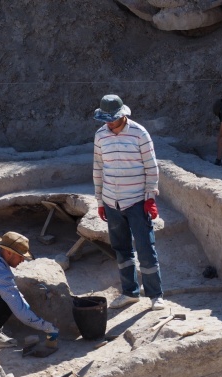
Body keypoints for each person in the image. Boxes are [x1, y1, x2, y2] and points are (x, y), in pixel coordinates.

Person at [92, 94, 165, 311]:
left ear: (123, 115)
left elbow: (151, 167)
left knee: (145, 247)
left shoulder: (139, 133)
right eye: (106, 119)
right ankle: (129, 292)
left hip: (135, 201)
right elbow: (98, 168)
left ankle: (155, 295)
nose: (109, 123)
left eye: (112, 118)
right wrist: (100, 200)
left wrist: (150, 197)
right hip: (111, 201)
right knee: (121, 248)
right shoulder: (100, 135)